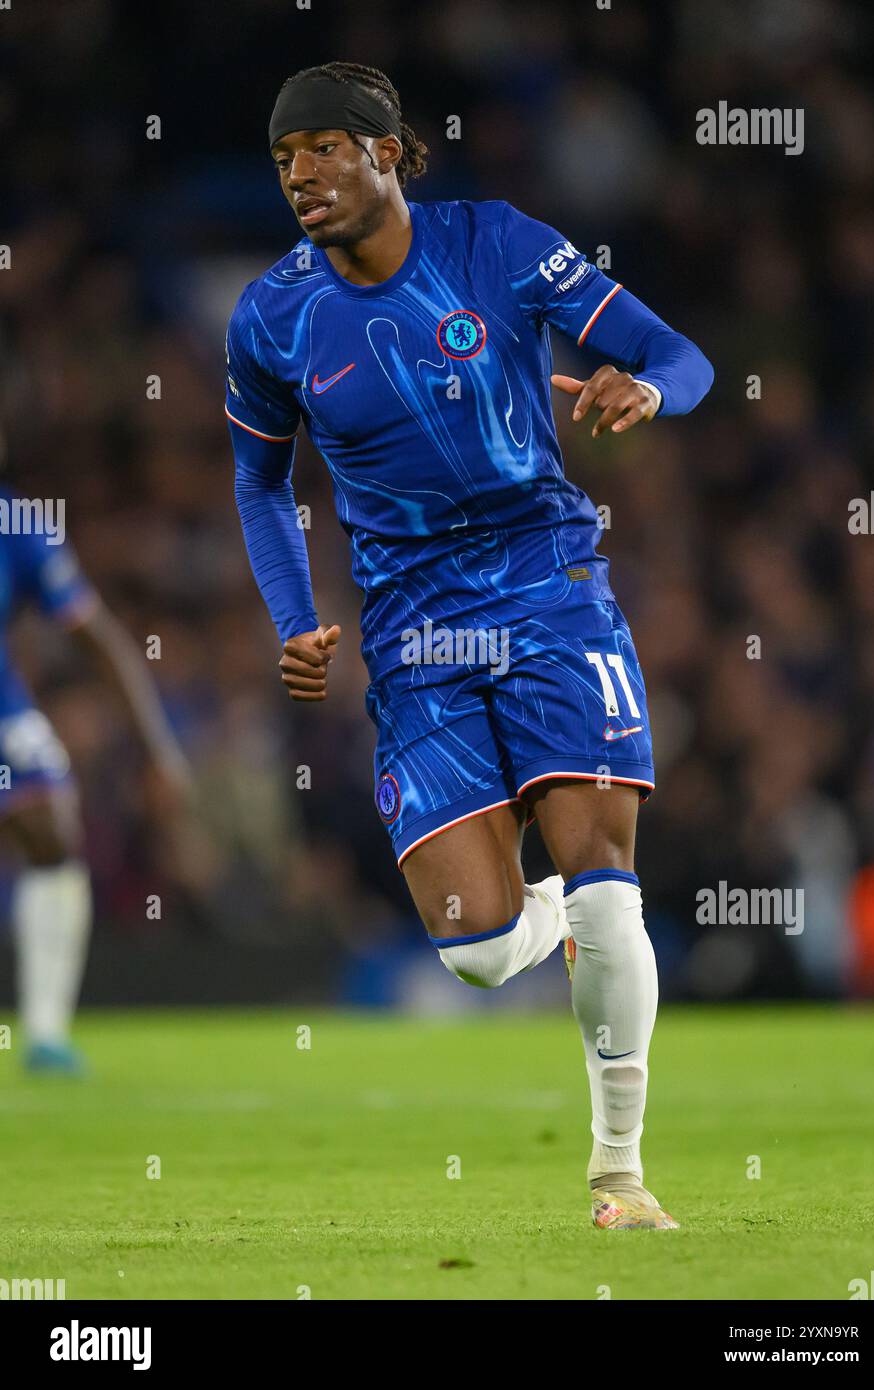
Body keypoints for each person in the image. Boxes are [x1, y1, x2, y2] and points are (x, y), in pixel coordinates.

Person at [226, 62, 713, 1227]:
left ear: (388, 152)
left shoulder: (498, 245)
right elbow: (255, 483)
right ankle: (537, 920)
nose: (301, 175)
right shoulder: (272, 316)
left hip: (550, 588)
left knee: (607, 893)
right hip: (413, 629)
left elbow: (680, 356)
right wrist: (296, 620)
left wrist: (644, 394)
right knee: (483, 954)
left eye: (326, 148)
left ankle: (619, 1174)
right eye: (286, 158)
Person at [0, 501, 189, 1073]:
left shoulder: (17, 522)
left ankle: (46, 1033)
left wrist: (154, 748)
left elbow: (97, 637)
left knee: (50, 824)